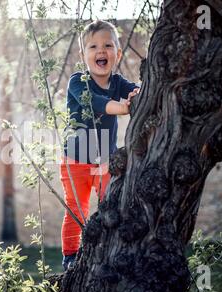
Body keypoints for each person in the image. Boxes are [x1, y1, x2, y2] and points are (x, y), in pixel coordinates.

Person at [60, 20, 140, 271]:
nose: (101, 50)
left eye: (108, 45)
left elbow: (137, 89)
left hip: (106, 158)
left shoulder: (118, 82)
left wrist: (138, 94)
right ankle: (71, 256)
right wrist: (125, 107)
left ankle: (110, 250)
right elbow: (97, 102)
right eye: (93, 46)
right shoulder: (77, 82)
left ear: (117, 51)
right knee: (77, 207)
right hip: (76, 159)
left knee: (111, 203)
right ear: (83, 55)